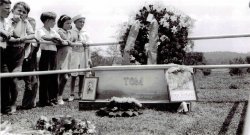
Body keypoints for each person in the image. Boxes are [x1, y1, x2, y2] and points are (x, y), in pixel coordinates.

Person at [5, 1, 36, 113]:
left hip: (19, 52)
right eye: (19, 11)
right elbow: (8, 35)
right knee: (5, 80)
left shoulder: (25, 22)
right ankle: (5, 103)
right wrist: (19, 37)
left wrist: (23, 38)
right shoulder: (7, 21)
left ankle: (13, 104)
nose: (21, 13)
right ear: (12, 11)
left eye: (24, 12)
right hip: (6, 51)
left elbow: (33, 34)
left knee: (14, 78)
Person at [36, 11, 68, 107]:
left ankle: (53, 98)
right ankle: (43, 100)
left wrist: (59, 40)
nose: (55, 23)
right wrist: (52, 38)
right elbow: (43, 37)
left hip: (54, 54)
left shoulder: (54, 31)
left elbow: (60, 40)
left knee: (53, 77)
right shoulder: (40, 30)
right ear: (47, 21)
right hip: (45, 54)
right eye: (53, 21)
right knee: (44, 77)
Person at [68, 14, 92, 101]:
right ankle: (71, 94)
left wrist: (89, 58)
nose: (82, 23)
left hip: (83, 54)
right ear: (75, 23)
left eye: (83, 22)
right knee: (74, 74)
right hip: (74, 53)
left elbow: (89, 46)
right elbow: (69, 42)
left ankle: (80, 93)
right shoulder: (71, 31)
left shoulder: (86, 32)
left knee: (82, 74)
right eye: (80, 22)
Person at [21, 17, 40, 109]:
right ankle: (25, 104)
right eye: (31, 27)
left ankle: (31, 103)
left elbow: (35, 50)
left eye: (34, 27)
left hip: (32, 62)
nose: (33, 29)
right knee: (29, 83)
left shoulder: (35, 39)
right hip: (25, 61)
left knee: (34, 82)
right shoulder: (24, 37)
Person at [56, 14, 73, 105]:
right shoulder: (59, 31)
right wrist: (70, 42)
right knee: (61, 77)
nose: (70, 25)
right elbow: (66, 40)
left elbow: (73, 41)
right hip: (61, 56)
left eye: (70, 23)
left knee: (65, 78)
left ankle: (59, 95)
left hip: (68, 56)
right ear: (62, 23)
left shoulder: (70, 32)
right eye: (67, 23)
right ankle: (57, 96)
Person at [0, 0, 11, 114]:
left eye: (9, 8)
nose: (9, 11)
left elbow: (9, 34)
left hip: (3, 51)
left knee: (5, 78)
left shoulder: (6, 22)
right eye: (6, 8)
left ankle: (5, 108)